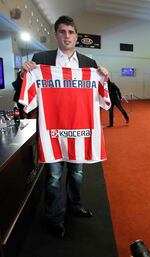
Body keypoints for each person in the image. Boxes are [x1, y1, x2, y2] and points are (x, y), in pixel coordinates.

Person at [17, 16, 109, 238]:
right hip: (53, 131)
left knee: (77, 172)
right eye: (62, 32)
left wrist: (104, 76)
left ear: (77, 36)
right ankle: (55, 217)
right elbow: (25, 90)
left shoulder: (89, 64)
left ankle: (75, 205)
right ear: (56, 35)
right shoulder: (41, 60)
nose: (67, 36)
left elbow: (101, 96)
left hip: (79, 130)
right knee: (54, 177)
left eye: (71, 32)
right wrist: (24, 74)